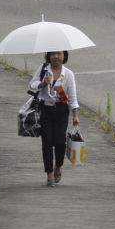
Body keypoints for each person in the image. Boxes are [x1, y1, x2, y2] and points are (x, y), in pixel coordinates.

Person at [29, 49, 79, 187]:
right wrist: (42, 83)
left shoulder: (68, 74)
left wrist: (75, 115)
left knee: (60, 141)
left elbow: (73, 97)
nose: (56, 56)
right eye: (53, 54)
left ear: (64, 56)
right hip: (45, 110)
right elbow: (32, 84)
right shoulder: (43, 69)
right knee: (47, 141)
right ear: (48, 56)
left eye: (59, 54)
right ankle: (49, 173)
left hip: (61, 111)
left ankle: (58, 166)